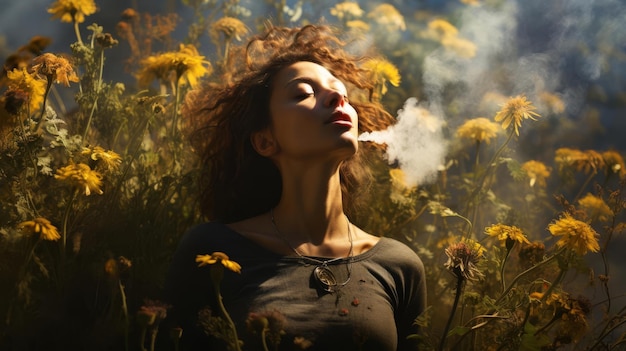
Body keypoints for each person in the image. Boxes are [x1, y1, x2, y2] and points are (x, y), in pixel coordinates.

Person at [164, 24, 426, 351]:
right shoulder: (214, 250)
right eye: (304, 93)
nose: (337, 98)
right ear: (264, 140)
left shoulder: (399, 265)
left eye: (342, 94)